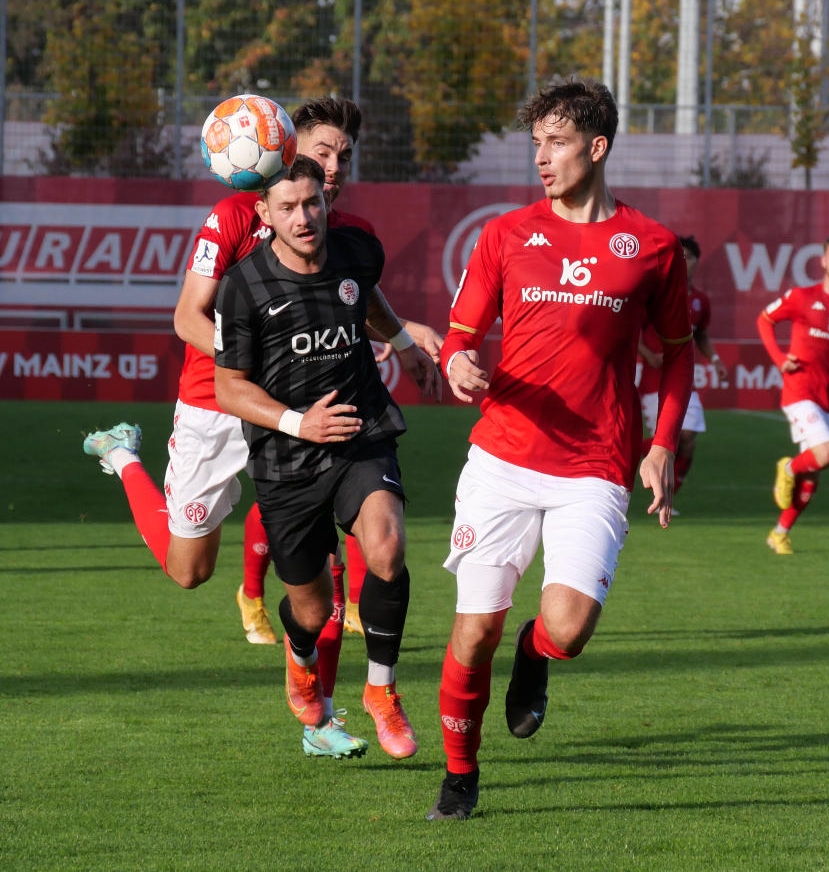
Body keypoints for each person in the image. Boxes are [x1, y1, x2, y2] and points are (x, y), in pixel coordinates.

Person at [82, 97, 443, 757]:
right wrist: (267, 373)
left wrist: (406, 337)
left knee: (337, 574)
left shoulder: (343, 230)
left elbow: (353, 297)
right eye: (322, 153)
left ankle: (322, 720)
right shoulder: (231, 217)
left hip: (305, 424)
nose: (333, 170)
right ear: (282, 150)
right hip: (219, 407)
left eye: (343, 158)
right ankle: (122, 457)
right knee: (188, 570)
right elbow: (189, 318)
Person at [425, 78, 694, 821]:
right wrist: (456, 363)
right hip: (503, 458)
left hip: (596, 466)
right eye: (535, 142)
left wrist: (663, 442)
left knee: (569, 631)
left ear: (596, 147)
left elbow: (677, 354)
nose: (541, 158)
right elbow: (459, 336)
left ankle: (535, 652)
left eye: (557, 142)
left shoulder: (655, 248)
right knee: (472, 629)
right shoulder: (506, 234)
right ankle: (460, 774)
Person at [212, 155, 439, 762]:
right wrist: (297, 421)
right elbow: (229, 387)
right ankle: (302, 660)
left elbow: (366, 299)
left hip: (361, 431)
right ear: (264, 214)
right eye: (287, 207)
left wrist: (403, 343)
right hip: (286, 456)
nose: (304, 217)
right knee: (312, 609)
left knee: (387, 547)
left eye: (312, 203)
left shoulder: (358, 250)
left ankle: (381, 692)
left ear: (326, 203)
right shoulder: (242, 286)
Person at [757, 234, 829, 556]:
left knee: (815, 474)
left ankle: (779, 533)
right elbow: (764, 320)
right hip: (800, 390)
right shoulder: (801, 296)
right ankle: (788, 468)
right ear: (822, 260)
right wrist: (780, 360)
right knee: (827, 452)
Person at [637, 234, 727, 511]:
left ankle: (670, 488)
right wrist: (649, 355)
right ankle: (624, 449)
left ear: (698, 262)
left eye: (688, 256)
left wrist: (715, 360)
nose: (683, 261)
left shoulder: (700, 300)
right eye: (679, 256)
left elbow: (701, 335)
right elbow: (631, 330)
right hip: (654, 379)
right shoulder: (654, 294)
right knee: (675, 435)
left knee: (687, 439)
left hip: (684, 379)